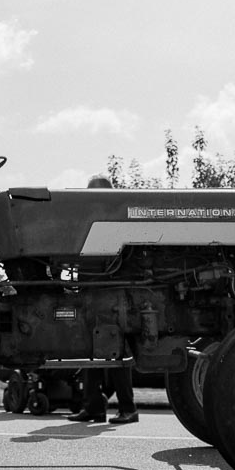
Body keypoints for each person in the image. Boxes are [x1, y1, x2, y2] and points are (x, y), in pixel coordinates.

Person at [67, 175, 138, 425]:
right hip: (90, 294)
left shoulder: (119, 220)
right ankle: (93, 407)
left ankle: (128, 408)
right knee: (90, 353)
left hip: (112, 295)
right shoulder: (86, 222)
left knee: (116, 354)